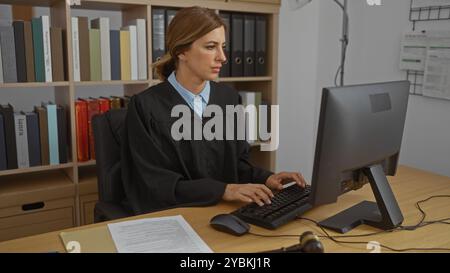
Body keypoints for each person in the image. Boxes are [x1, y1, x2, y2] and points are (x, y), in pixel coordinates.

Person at [121, 6, 306, 215]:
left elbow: (237, 164)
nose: (223, 57)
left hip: (223, 213)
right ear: (182, 51)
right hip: (174, 217)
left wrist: (266, 178)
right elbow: (154, 183)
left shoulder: (228, 99)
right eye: (211, 47)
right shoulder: (146, 107)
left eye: (223, 46)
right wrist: (223, 190)